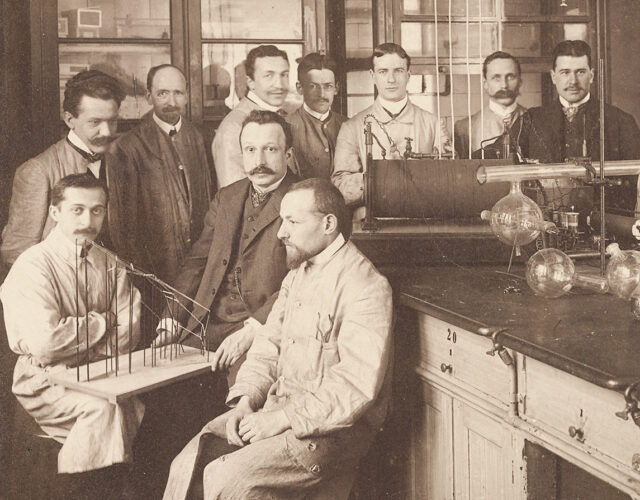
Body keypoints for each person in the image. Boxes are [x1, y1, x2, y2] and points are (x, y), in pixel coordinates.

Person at [163, 178, 393, 500]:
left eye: (292, 222)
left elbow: (355, 386)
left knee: (225, 478)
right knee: (187, 462)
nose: (281, 232)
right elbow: (267, 348)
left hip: (330, 433)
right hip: (276, 412)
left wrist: (280, 419)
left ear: (329, 223)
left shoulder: (365, 286)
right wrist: (247, 402)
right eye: (282, 220)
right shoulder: (297, 274)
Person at [0, 174, 143, 483]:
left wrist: (80, 338)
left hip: (102, 373)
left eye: (97, 210)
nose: (88, 221)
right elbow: (46, 345)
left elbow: (129, 336)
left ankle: (107, 487)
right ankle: (80, 488)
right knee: (103, 411)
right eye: (77, 210)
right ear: (55, 213)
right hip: (45, 380)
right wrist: (103, 322)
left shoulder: (111, 263)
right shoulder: (33, 265)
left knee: (132, 406)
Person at [1, 70, 124, 266]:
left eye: (113, 121)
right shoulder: (38, 171)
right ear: (69, 120)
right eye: (95, 122)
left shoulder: (121, 163)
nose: (107, 131)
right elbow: (16, 255)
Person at [107, 64, 212, 284]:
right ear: (148, 97)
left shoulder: (201, 139)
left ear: (186, 96)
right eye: (162, 93)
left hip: (199, 265)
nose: (171, 102)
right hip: (155, 269)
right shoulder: (127, 147)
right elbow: (123, 228)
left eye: (178, 93)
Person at [511, 40, 640, 211]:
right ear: (553, 76)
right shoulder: (531, 119)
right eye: (565, 72)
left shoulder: (621, 121)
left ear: (592, 75)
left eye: (580, 72)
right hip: (546, 223)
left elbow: (632, 185)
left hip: (605, 225)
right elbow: (502, 157)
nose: (573, 81)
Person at [332, 42, 450, 209]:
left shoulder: (433, 124)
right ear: (373, 76)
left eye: (398, 71)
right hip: (373, 223)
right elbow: (340, 185)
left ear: (409, 75)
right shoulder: (352, 127)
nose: (391, 79)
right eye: (383, 72)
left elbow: (450, 178)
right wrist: (382, 179)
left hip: (422, 221)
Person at [212, 45, 293, 188]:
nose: (279, 85)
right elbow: (236, 197)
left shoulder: (285, 115)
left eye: (284, 75)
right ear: (251, 82)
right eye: (269, 76)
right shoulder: (234, 127)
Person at [454, 51, 527, 159]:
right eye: (496, 78)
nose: (504, 85)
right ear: (485, 84)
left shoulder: (537, 122)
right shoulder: (464, 128)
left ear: (520, 82)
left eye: (510, 77)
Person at [287, 52, 346, 179]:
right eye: (313, 86)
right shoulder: (286, 126)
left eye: (328, 86)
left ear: (336, 88)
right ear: (300, 88)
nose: (322, 94)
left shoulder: (348, 126)